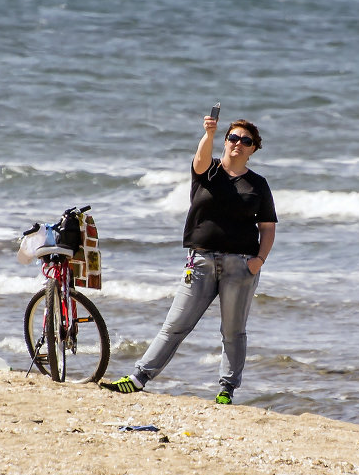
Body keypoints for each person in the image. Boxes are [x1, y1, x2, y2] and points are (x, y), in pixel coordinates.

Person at [101, 113, 277, 404]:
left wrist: (259, 260)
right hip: (200, 262)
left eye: (246, 141)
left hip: (240, 265)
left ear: (254, 148)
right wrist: (208, 133)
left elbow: (268, 228)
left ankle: (226, 390)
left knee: (232, 332)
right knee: (175, 325)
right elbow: (200, 158)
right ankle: (138, 379)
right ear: (225, 141)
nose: (238, 144)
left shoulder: (258, 185)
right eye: (233, 137)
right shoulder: (208, 171)